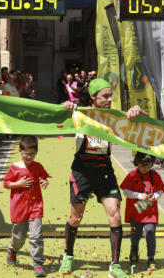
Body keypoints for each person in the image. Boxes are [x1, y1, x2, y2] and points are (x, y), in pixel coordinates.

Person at [59, 79, 149, 278]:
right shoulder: (79, 113)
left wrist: (138, 111)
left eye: (111, 96)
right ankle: (68, 254)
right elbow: (55, 116)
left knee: (115, 216)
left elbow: (149, 123)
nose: (109, 100)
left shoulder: (114, 117)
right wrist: (65, 106)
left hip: (105, 170)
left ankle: (114, 265)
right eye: (105, 97)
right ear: (93, 98)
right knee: (75, 218)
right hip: (82, 170)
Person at [4, 136, 50, 277]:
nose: (29, 156)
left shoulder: (38, 166)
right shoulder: (14, 167)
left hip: (35, 206)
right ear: (20, 151)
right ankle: (12, 249)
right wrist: (19, 184)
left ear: (36, 152)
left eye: (32, 154)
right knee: (19, 237)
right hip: (19, 208)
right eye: (26, 153)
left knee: (36, 236)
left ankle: (38, 263)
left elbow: (43, 177)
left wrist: (44, 182)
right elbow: (6, 184)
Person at [120, 152, 164, 271]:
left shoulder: (155, 175)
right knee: (135, 235)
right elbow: (125, 191)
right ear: (136, 163)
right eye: (142, 166)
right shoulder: (132, 175)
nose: (145, 169)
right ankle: (134, 249)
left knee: (150, 233)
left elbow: (161, 189)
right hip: (135, 213)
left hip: (150, 212)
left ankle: (151, 258)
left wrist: (155, 196)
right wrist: (139, 195)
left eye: (148, 166)